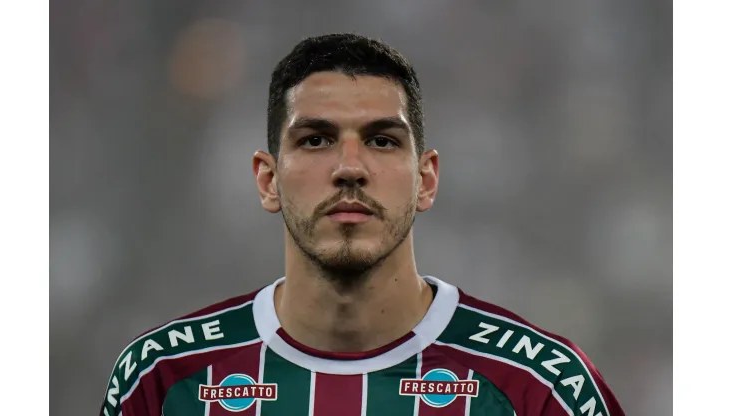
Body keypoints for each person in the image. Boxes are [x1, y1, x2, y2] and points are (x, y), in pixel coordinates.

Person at [100, 33, 625, 416]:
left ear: (426, 180)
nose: (349, 167)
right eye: (314, 140)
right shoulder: (163, 379)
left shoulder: (539, 385)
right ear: (268, 180)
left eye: (381, 140)